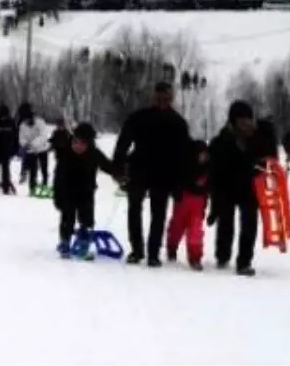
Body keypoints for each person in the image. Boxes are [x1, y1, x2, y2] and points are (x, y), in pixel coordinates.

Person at [112, 81, 192, 267]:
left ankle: (153, 253)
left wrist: (181, 182)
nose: (162, 101)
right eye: (159, 97)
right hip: (138, 169)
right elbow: (123, 142)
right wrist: (118, 166)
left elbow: (184, 154)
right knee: (134, 210)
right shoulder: (139, 117)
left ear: (171, 98)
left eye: (166, 98)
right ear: (153, 97)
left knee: (159, 214)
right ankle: (137, 250)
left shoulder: (178, 123)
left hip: (164, 174)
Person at [208, 100, 273, 277]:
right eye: (242, 120)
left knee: (249, 225)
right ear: (233, 121)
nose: (246, 123)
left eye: (248, 119)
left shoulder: (257, 138)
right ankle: (223, 254)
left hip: (249, 189)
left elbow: (268, 157)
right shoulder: (220, 141)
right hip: (226, 188)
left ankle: (244, 261)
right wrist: (213, 197)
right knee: (225, 223)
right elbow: (213, 168)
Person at [52, 122, 118, 259]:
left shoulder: (94, 153)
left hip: (86, 192)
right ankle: (65, 243)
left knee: (87, 220)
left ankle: (83, 245)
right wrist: (57, 196)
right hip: (67, 191)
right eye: (76, 142)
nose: (78, 146)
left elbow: (107, 165)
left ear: (89, 143)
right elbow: (58, 178)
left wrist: (120, 173)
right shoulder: (65, 153)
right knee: (67, 218)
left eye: (82, 144)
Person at [166, 139, 210, 270]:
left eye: (205, 154)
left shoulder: (207, 170)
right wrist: (176, 192)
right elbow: (176, 183)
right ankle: (172, 247)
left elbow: (208, 188)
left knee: (195, 231)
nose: (203, 157)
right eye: (200, 154)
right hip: (183, 201)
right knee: (176, 227)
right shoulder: (185, 168)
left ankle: (195, 257)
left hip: (198, 203)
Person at [17, 102, 50, 195]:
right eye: (25, 119)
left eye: (28, 119)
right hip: (30, 151)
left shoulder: (40, 122)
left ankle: (44, 185)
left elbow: (43, 136)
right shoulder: (22, 125)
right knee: (33, 170)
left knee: (44, 169)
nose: (27, 121)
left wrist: (33, 144)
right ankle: (33, 188)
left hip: (42, 149)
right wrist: (25, 144)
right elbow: (21, 138)